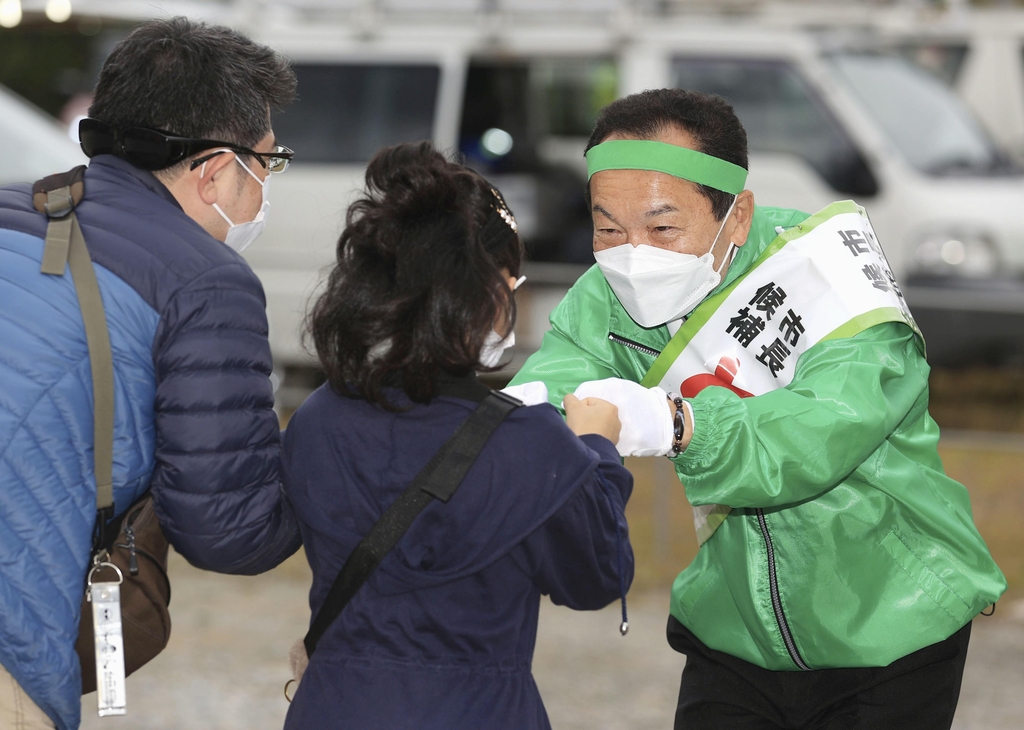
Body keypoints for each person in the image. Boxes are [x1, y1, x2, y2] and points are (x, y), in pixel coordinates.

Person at [509, 88, 1006, 729]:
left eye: (663, 227)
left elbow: (823, 429)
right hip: (732, 627)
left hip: (892, 621)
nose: (633, 254)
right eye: (609, 228)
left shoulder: (825, 272)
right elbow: (548, 393)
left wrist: (675, 422)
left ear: (736, 216)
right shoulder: (603, 296)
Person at [0, 18, 301, 730]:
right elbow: (228, 529)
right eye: (268, 162)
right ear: (214, 169)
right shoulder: (207, 283)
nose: (265, 187)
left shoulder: (11, 207)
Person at [281, 141, 634, 730]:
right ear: (491, 287)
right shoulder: (532, 442)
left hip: (339, 702)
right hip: (481, 707)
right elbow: (596, 576)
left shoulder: (318, 419)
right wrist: (598, 449)